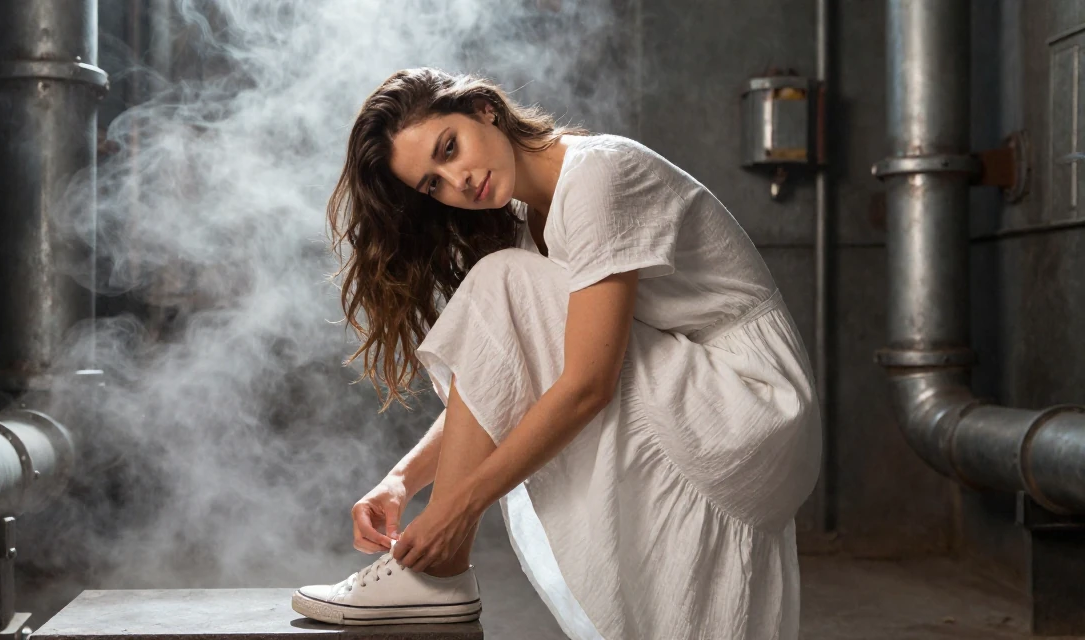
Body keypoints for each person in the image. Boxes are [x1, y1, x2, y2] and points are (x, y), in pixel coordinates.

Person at [291, 67, 822, 640]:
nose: (457, 180)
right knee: (506, 287)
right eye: (433, 184)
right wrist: (403, 479)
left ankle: (438, 578)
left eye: (450, 148)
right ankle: (436, 580)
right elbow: (504, 378)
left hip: (751, 402)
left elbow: (587, 384)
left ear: (484, 110)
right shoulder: (526, 222)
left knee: (501, 284)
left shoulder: (599, 176)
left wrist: (457, 510)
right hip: (707, 391)